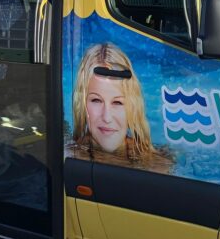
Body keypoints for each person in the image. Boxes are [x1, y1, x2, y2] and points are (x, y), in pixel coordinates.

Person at [70, 43, 170, 171]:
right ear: (82, 104)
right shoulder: (66, 159)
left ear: (133, 107)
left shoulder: (160, 164)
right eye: (96, 100)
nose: (107, 118)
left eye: (117, 103)